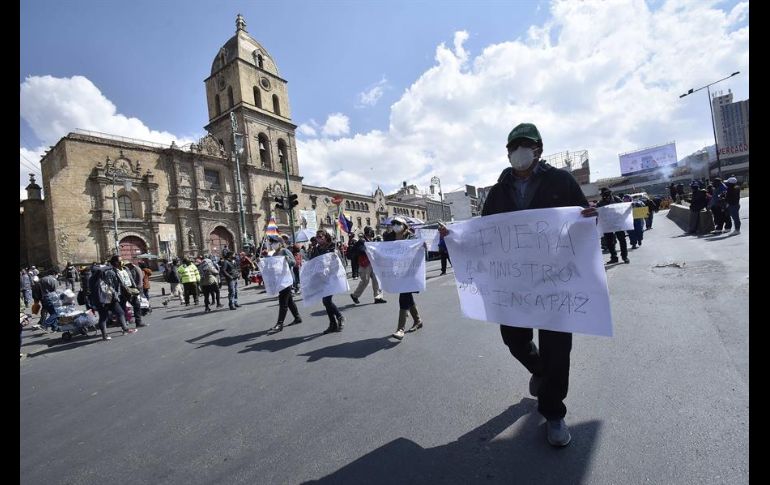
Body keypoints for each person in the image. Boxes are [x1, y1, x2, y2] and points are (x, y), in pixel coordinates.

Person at [440, 122, 597, 448]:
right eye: (513, 147)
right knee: (513, 339)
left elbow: (583, 220)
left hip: (555, 282)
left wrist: (590, 216)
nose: (519, 152)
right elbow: (484, 234)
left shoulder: (561, 181)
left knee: (558, 351)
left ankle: (553, 413)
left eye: (524, 145)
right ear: (508, 153)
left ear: (538, 149)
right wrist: (454, 236)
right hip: (513, 285)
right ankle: (540, 370)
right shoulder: (498, 192)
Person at [386, 216, 423, 340]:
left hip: (409, 271)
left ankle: (400, 329)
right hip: (397, 271)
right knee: (408, 296)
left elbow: (418, 248)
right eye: (393, 223)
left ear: (404, 225)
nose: (395, 225)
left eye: (398, 223)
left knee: (403, 297)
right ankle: (418, 320)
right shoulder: (389, 237)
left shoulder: (411, 237)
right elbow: (383, 250)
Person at [308, 229, 345, 334]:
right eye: (317, 237)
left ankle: (339, 317)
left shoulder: (332, 247)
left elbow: (339, 261)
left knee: (326, 301)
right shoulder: (316, 249)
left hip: (331, 277)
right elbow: (312, 261)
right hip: (321, 278)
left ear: (325, 236)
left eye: (320, 236)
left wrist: (336, 255)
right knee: (326, 301)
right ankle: (333, 324)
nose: (318, 239)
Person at [267, 236, 302, 332]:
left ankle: (280, 324)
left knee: (283, 301)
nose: (272, 244)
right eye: (271, 243)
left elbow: (294, 262)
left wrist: (287, 259)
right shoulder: (274, 254)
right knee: (289, 300)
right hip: (279, 280)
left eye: (274, 242)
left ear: (280, 243)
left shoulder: (285, 251)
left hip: (286, 280)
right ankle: (297, 317)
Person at [350, 226, 387, 305]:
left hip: (372, 264)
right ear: (368, 232)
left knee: (377, 280)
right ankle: (355, 295)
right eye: (371, 231)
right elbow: (360, 250)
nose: (373, 232)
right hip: (365, 264)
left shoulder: (371, 241)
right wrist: (367, 249)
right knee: (365, 281)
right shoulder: (362, 241)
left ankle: (378, 297)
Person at [596, 188, 629, 264]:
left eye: (607, 194)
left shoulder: (617, 199)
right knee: (609, 242)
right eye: (604, 195)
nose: (606, 196)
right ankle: (614, 257)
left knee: (622, 240)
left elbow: (623, 207)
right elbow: (598, 212)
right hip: (607, 224)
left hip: (617, 222)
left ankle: (624, 257)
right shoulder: (600, 203)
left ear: (610, 193)